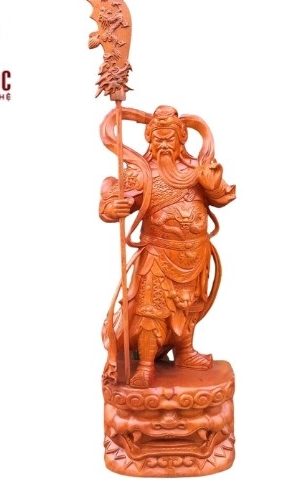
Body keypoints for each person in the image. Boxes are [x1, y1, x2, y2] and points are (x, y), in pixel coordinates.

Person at [100, 105, 235, 388]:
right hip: (158, 256)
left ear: (181, 139)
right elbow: (110, 203)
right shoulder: (141, 173)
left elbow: (222, 196)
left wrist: (212, 184)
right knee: (152, 310)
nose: (162, 144)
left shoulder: (196, 169)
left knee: (189, 305)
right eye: (157, 138)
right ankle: (146, 365)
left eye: (169, 138)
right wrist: (114, 208)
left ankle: (185, 352)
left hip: (195, 253)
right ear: (149, 140)